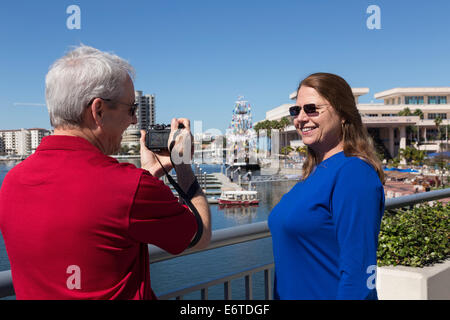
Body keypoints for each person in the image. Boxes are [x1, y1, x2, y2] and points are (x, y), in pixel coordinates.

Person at [0, 45, 211, 299]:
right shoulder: (129, 187)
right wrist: (183, 163)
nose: (134, 121)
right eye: (131, 109)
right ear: (98, 111)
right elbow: (200, 236)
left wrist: (147, 173)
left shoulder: (11, 183)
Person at [268, 72, 385, 300]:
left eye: (312, 109)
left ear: (342, 113)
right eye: (296, 110)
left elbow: (358, 274)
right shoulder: (314, 172)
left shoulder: (353, 173)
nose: (301, 118)